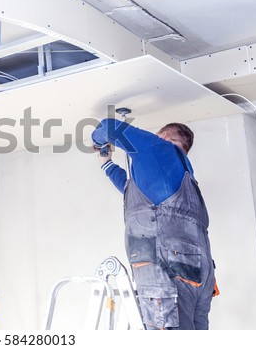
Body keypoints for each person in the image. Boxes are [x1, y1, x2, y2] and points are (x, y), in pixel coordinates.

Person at [91, 118, 218, 330]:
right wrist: (107, 164)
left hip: (168, 273)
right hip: (199, 277)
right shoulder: (186, 177)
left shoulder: (157, 147)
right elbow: (133, 193)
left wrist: (98, 143)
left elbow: (109, 127)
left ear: (164, 137)